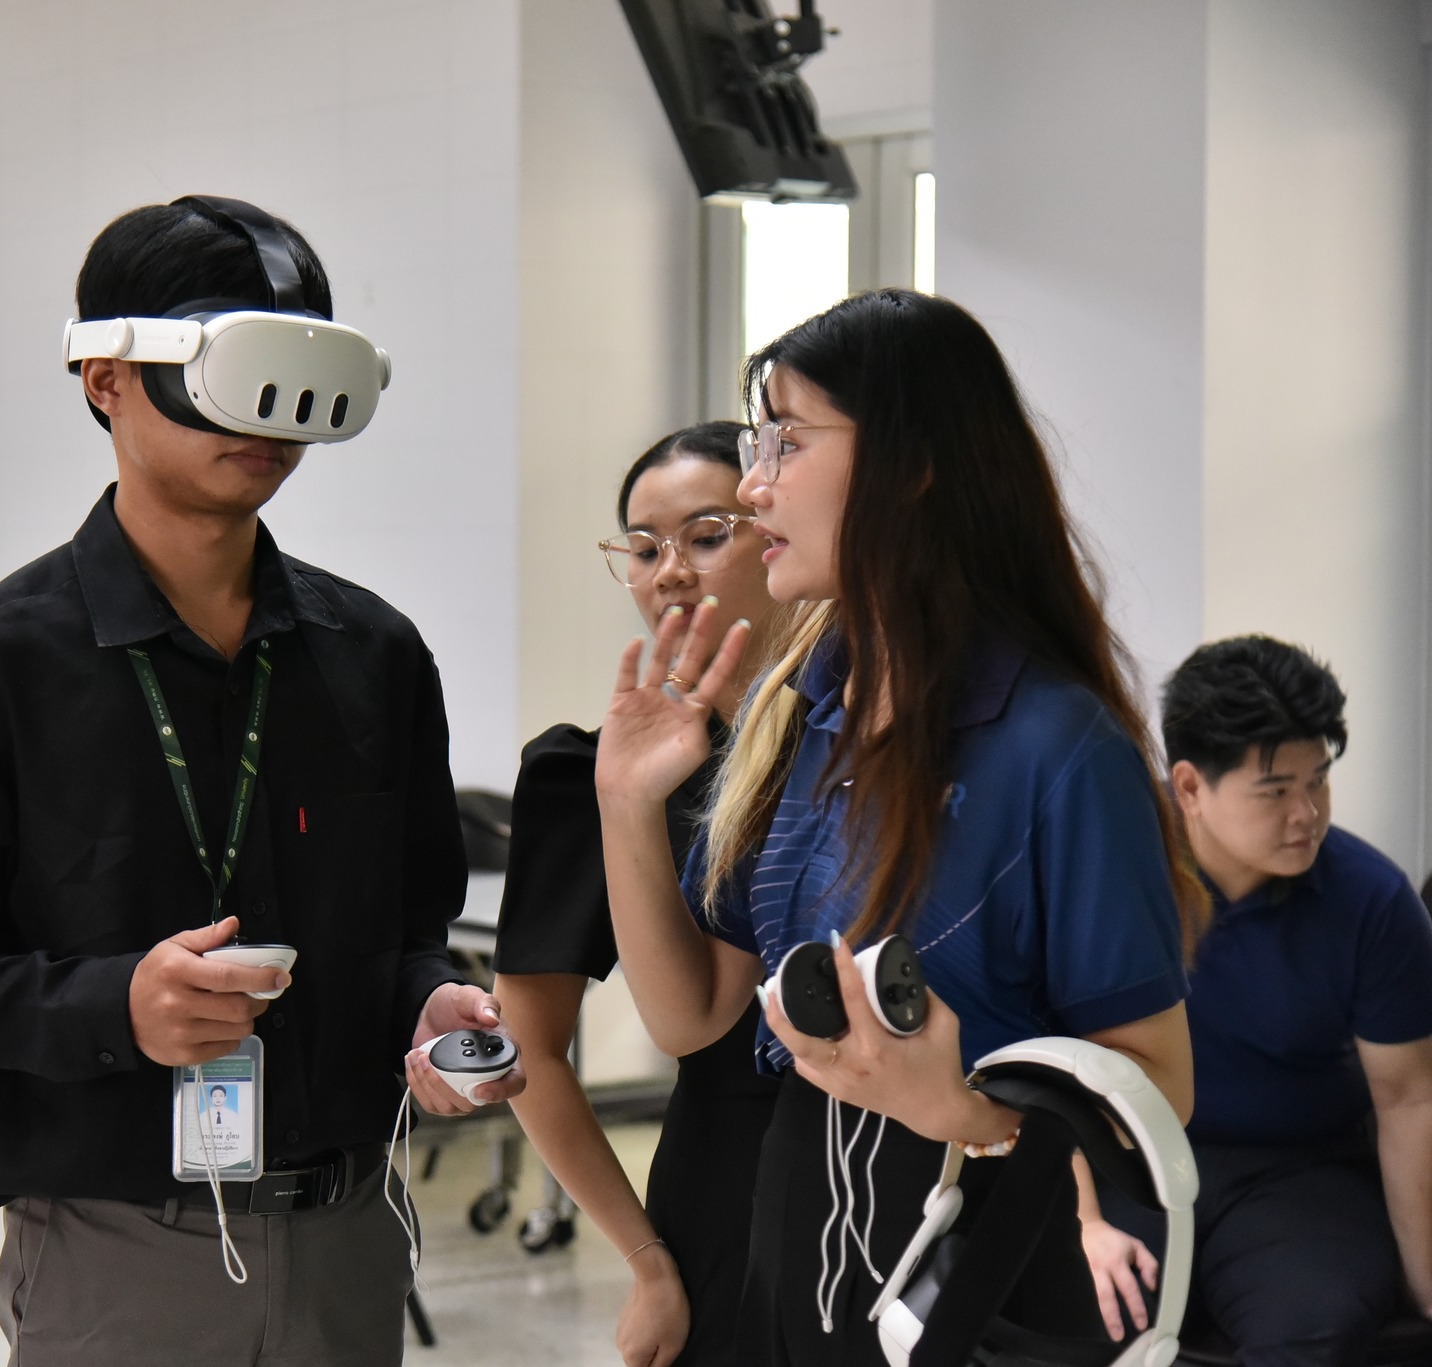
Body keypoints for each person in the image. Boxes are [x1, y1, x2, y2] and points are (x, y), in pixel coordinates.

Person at [0, 196, 523, 1367]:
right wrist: (115, 1006)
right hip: (120, 1245)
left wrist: (426, 1002)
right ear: (106, 377)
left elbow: (407, 932)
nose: (266, 418)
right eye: (233, 369)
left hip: (349, 1230)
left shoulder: (373, 656)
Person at [593, 288, 1207, 1365]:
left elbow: (1157, 1082)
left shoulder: (1057, 744)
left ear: (912, 465)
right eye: (758, 443)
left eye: (786, 441)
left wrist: (965, 1109)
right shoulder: (800, 709)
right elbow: (689, 1014)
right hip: (794, 1230)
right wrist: (624, 801)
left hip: (982, 1254)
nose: (753, 483)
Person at [494, 421, 784, 1367]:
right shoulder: (591, 772)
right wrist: (646, 1260)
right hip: (723, 1185)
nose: (671, 572)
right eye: (645, 548)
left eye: (707, 535)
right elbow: (529, 1046)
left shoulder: (854, 746)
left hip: (888, 1162)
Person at [1077, 635, 1432, 1363]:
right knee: (1081, 1310)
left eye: (1318, 781)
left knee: (1317, 1322)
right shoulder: (1110, 869)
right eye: (1275, 790)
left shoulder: (1371, 900)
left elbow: (1408, 1100)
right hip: (1130, 1160)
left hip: (1298, 1171)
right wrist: (1083, 1219)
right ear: (1189, 786)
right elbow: (1040, 1048)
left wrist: (1429, 1288)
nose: (1307, 813)